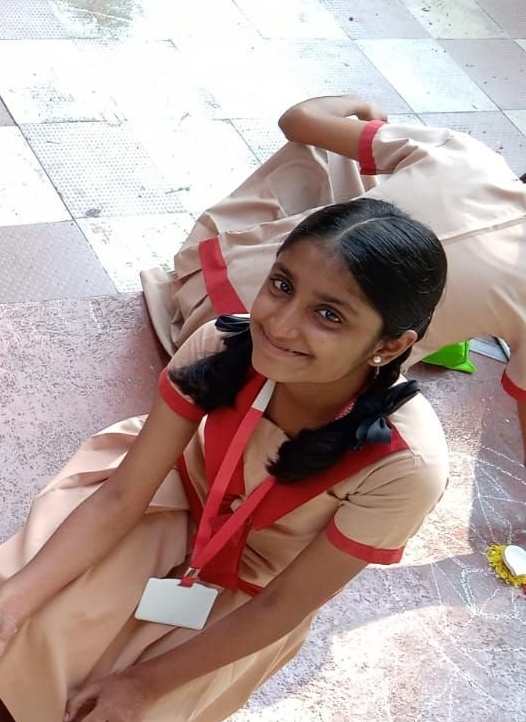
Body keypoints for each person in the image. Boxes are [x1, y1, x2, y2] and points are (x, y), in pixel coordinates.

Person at [0, 199, 449, 722]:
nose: (280, 325)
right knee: (32, 624)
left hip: (258, 583)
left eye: (328, 315)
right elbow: (122, 497)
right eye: (282, 285)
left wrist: (144, 685)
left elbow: (284, 603)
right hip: (175, 500)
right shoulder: (220, 345)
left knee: (96, 712)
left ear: (389, 345)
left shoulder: (406, 465)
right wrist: (8, 606)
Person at [142, 94, 526, 454]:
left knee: (326, 151)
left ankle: (266, 278)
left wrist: (361, 105)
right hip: (290, 383)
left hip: (209, 307)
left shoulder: (468, 155)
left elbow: (299, 119)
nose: (283, 326)